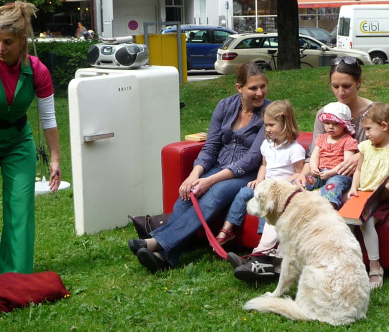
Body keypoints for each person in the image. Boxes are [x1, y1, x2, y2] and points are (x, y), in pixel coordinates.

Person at [228, 56, 373, 281]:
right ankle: (265, 257)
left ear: (359, 82)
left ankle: (271, 262)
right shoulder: (325, 114)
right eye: (335, 86)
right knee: (286, 196)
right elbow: (315, 151)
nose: (341, 92)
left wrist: (358, 158)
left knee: (302, 203)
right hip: (321, 172)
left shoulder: (371, 112)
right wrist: (301, 177)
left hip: (351, 177)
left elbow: (376, 148)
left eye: (347, 86)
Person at [127, 62, 270, 273]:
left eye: (263, 87)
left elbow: (252, 158)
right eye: (253, 88)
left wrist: (210, 180)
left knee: (216, 192)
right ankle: (165, 256)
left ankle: (156, 243)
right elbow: (211, 147)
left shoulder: (269, 112)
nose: (259, 93)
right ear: (239, 87)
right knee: (189, 193)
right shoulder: (225, 106)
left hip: (248, 173)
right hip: (220, 166)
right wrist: (194, 175)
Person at [0, 1, 62, 281]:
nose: (0, 48)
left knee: (20, 210)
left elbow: (48, 118)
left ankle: (15, 278)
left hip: (18, 142)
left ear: (22, 41)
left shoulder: (37, 71)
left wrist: (55, 159)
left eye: (8, 42)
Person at [213, 100, 305, 249]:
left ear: (285, 123)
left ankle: (265, 243)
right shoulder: (266, 144)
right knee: (243, 193)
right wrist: (259, 180)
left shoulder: (295, 149)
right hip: (265, 184)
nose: (267, 129)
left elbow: (299, 173)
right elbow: (264, 165)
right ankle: (227, 229)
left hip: (280, 189)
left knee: (266, 205)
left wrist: (280, 185)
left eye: (271, 125)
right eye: (266, 125)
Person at [348, 102, 389, 289]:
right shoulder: (365, 147)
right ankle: (351, 265)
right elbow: (358, 170)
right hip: (362, 195)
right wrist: (353, 188)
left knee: (367, 222)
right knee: (344, 222)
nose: (366, 134)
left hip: (383, 199)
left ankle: (375, 267)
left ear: (384, 126)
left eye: (368, 129)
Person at [305, 102, 357, 210]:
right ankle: (297, 199)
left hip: (339, 174)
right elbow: (315, 156)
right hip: (321, 172)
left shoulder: (348, 141)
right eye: (327, 123)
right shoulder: (321, 138)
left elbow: (346, 163)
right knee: (307, 181)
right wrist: (314, 168)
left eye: (336, 124)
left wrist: (331, 173)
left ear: (344, 124)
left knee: (333, 185)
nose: (331, 126)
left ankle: (329, 208)